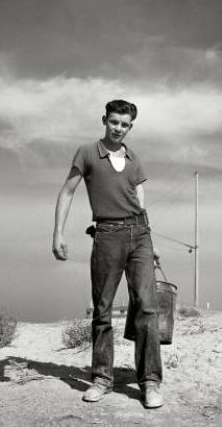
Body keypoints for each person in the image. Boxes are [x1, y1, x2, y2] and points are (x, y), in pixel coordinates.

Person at [52, 99, 163, 409]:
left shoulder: (134, 159)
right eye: (114, 122)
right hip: (107, 235)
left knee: (147, 308)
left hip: (140, 235)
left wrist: (151, 244)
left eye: (125, 124)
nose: (119, 128)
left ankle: (150, 382)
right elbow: (67, 192)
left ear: (131, 126)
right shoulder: (87, 153)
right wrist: (58, 233)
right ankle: (102, 378)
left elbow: (140, 203)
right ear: (105, 120)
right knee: (102, 310)